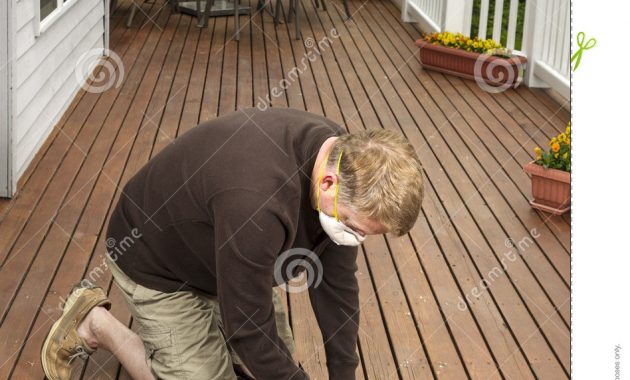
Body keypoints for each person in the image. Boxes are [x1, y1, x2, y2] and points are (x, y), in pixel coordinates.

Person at [41, 107, 424, 380]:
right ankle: (96, 322)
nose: (354, 240)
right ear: (328, 184)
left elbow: (336, 285)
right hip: (157, 260)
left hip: (228, 253)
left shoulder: (346, 161)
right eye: (355, 229)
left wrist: (344, 374)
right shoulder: (256, 200)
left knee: (273, 362)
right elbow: (250, 329)